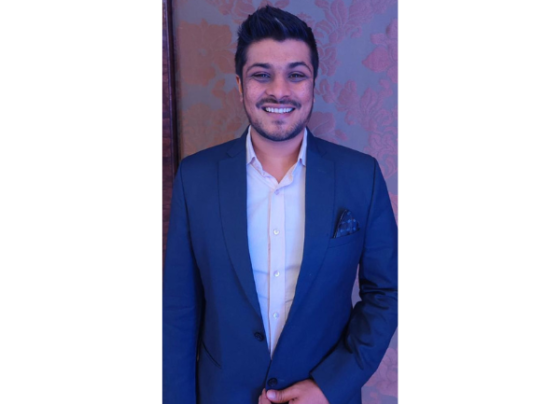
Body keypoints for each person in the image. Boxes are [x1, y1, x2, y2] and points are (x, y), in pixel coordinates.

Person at [163, 6, 397, 404]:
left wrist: (329, 386)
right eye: (261, 74)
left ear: (313, 83)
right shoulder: (195, 178)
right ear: (240, 85)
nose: (279, 90)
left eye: (296, 74)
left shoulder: (362, 176)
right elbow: (178, 311)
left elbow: (388, 293)